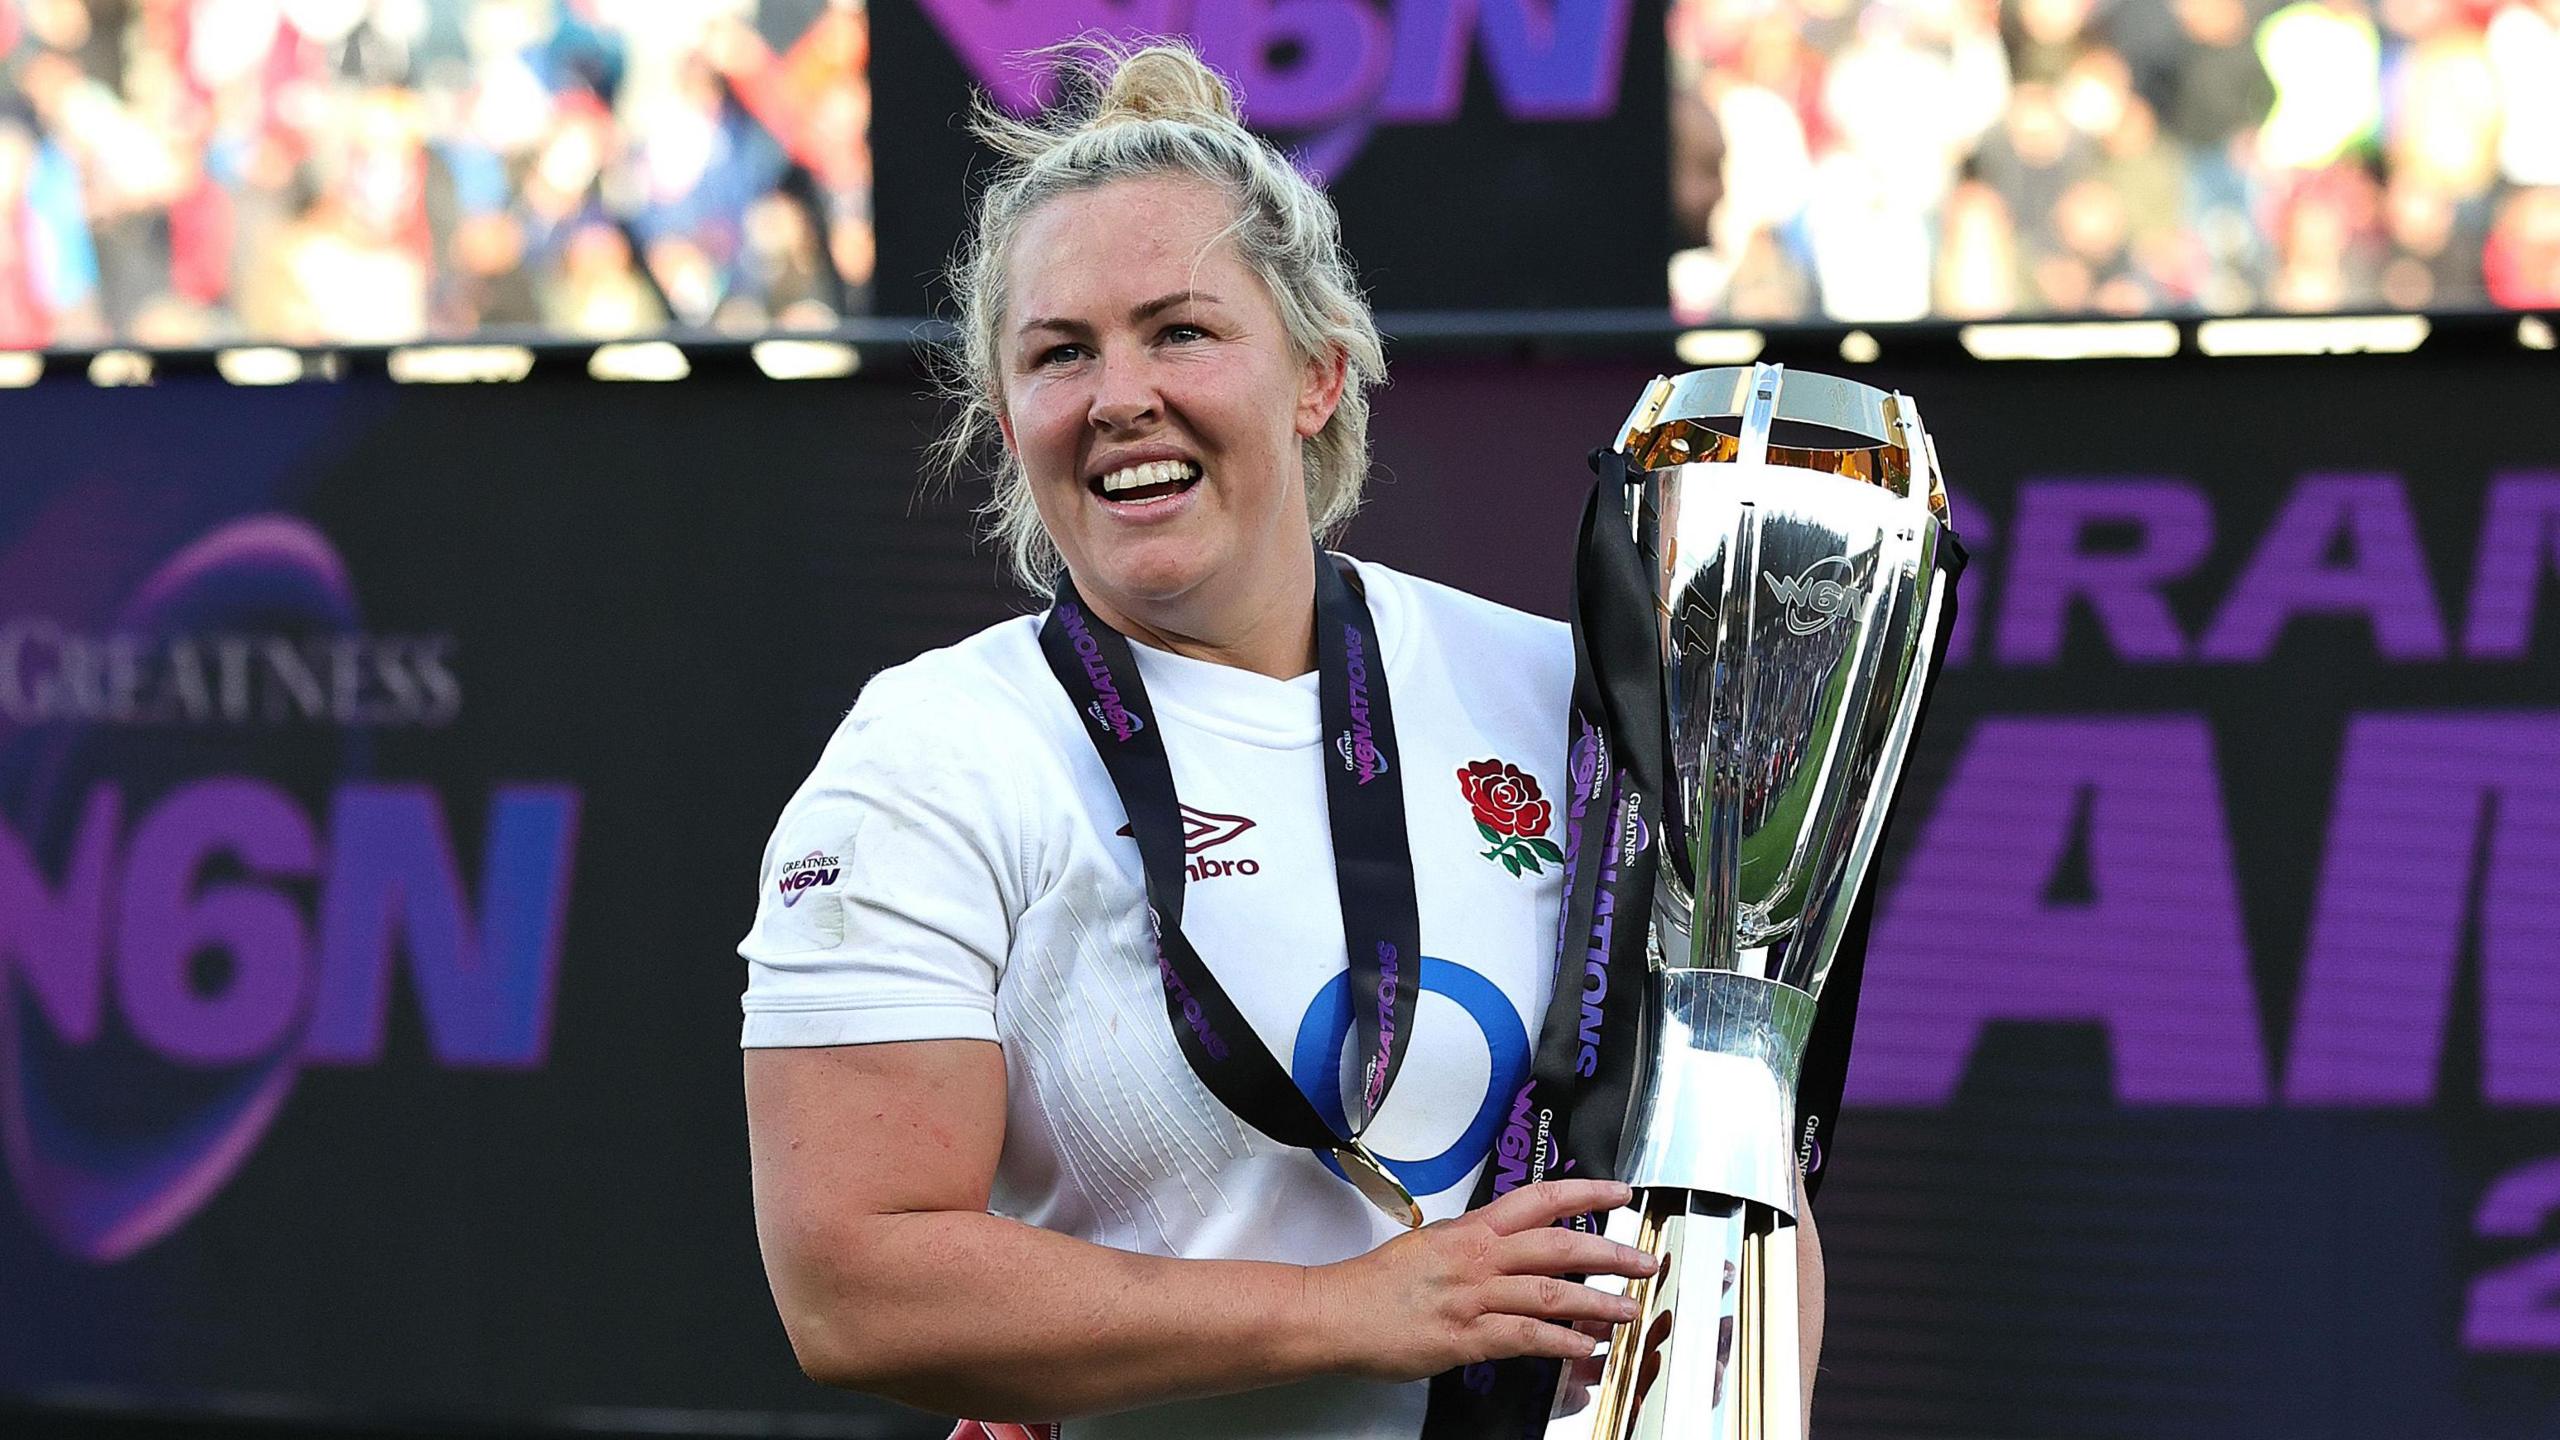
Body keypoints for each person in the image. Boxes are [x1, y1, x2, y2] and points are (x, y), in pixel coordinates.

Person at [738, 41, 1822, 1439]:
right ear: (1009, 420)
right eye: (1059, 353)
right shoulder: (935, 752)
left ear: (1317, 373)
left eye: (1179, 330)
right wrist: (1352, 1308)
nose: (1119, 393)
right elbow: (851, 1284)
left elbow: (1737, 1193)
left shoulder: (1560, 695)